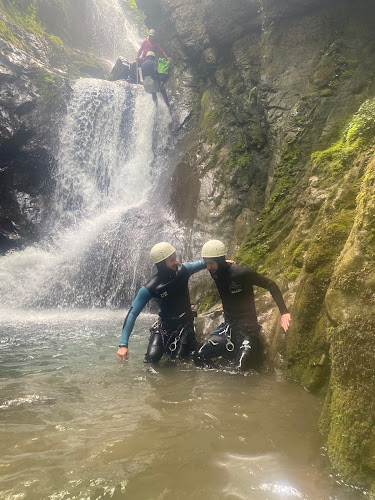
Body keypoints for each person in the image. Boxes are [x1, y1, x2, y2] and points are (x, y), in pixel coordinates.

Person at [194, 240, 291, 371]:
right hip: (228, 329)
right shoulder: (215, 272)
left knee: (240, 368)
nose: (208, 268)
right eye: (206, 264)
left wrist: (284, 312)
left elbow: (271, 284)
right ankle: (219, 379)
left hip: (248, 330)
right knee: (198, 356)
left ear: (220, 261)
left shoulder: (242, 273)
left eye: (211, 263)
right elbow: (224, 276)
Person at [117, 242, 206, 363]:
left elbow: (203, 262)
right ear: (162, 265)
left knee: (176, 362)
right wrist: (123, 345)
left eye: (175, 258)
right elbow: (132, 313)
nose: (176, 262)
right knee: (150, 360)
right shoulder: (151, 287)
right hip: (165, 327)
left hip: (185, 325)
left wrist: (222, 263)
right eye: (172, 260)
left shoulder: (183, 270)